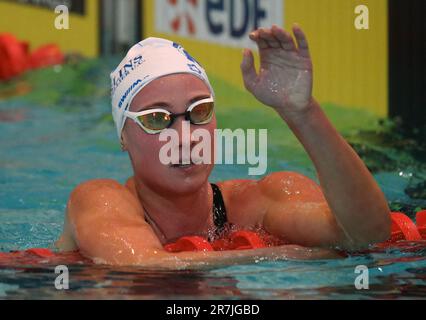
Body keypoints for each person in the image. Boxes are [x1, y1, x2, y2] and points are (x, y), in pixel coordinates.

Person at [56, 25, 390, 269]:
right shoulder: (99, 199)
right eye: (157, 119)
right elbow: (141, 266)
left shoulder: (258, 201)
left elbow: (364, 234)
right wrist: (285, 253)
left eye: (199, 112)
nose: (185, 137)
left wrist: (301, 113)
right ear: (123, 137)